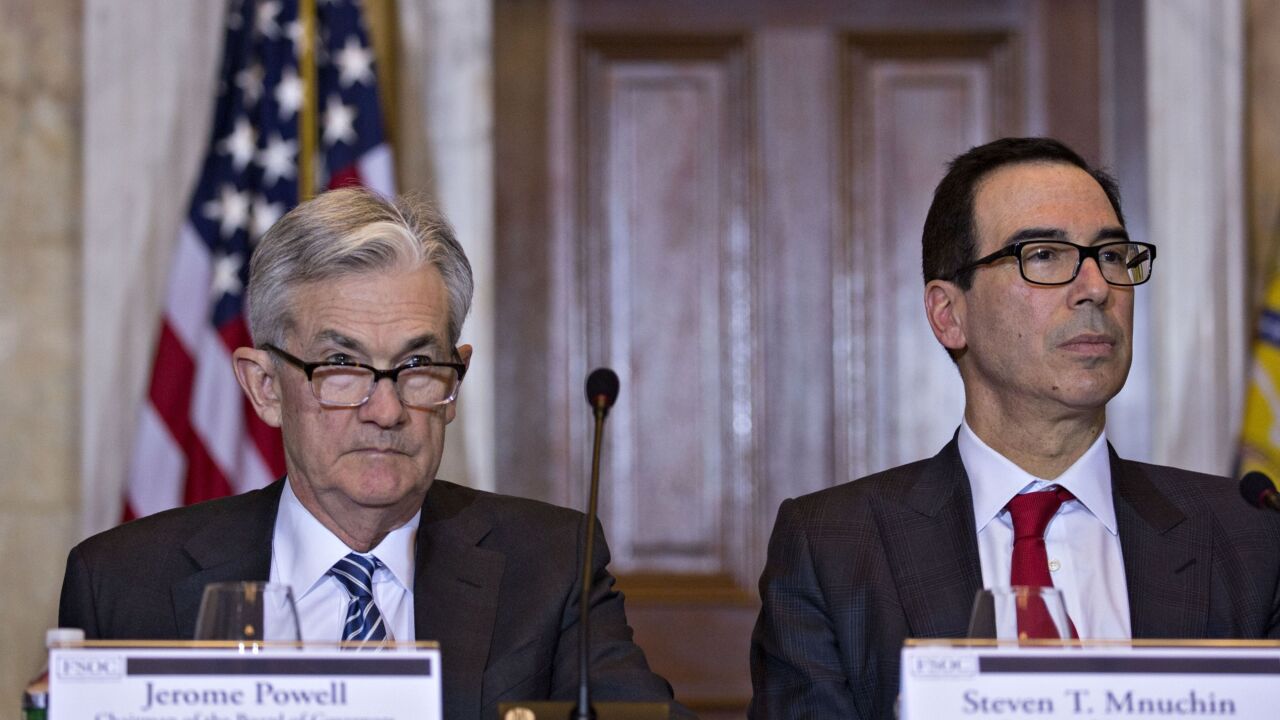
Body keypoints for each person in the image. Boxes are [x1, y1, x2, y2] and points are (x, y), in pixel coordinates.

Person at [60, 188, 692, 719]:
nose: (386, 410)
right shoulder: (124, 583)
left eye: (418, 366)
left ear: (456, 377)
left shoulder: (549, 564)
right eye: (341, 366)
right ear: (264, 387)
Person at [748, 137, 1280, 719]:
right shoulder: (833, 549)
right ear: (949, 314)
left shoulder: (1251, 537)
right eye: (1045, 255)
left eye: (1111, 255)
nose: (1097, 288)